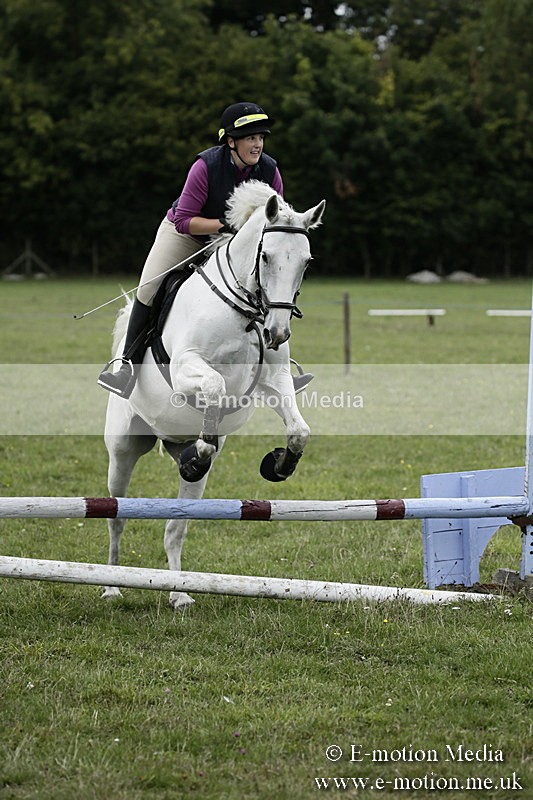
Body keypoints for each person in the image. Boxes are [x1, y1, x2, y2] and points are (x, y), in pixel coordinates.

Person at [98, 101, 312, 398]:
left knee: (266, 288)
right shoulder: (205, 167)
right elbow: (184, 221)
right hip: (187, 235)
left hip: (235, 243)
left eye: (261, 137)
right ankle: (126, 367)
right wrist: (224, 225)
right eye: (250, 138)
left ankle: (280, 372)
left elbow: (272, 222)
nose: (258, 144)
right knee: (149, 288)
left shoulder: (269, 170)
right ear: (231, 141)